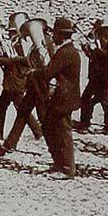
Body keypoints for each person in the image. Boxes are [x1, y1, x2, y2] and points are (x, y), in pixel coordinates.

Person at [37, 17, 81, 180]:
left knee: (63, 132)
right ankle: (59, 163)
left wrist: (35, 70)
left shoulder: (65, 52)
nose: (52, 36)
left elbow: (48, 73)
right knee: (50, 128)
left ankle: (67, 168)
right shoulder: (68, 50)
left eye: (54, 34)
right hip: (64, 97)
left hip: (64, 98)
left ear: (61, 35)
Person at [0, 22, 41, 158]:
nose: (9, 35)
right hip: (10, 82)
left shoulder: (22, 45)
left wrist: (1, 60)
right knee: (2, 109)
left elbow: (25, 60)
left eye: (12, 32)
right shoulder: (11, 44)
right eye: (9, 32)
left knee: (22, 110)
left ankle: (38, 131)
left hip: (17, 83)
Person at [3, 20, 53, 152]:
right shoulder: (37, 45)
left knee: (43, 116)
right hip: (34, 84)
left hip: (41, 85)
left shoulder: (46, 43)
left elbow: (47, 65)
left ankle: (54, 146)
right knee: (23, 112)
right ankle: (10, 143)